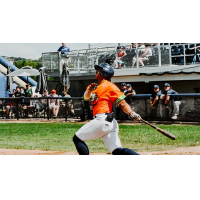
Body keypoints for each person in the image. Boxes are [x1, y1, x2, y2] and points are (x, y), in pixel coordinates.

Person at [73, 63, 141, 155]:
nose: (96, 71)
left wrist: (131, 112)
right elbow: (86, 98)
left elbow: (122, 103)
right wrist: (89, 90)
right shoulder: (93, 87)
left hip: (102, 119)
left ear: (103, 73)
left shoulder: (109, 86)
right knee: (116, 150)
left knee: (77, 138)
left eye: (98, 70)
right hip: (109, 122)